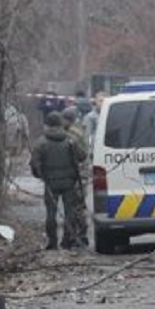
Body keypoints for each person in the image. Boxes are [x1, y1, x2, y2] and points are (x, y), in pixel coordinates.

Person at [30, 110, 86, 250]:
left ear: (47, 125)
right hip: (69, 182)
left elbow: (34, 164)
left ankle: (52, 242)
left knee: (51, 213)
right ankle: (66, 241)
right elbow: (82, 156)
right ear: (60, 124)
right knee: (69, 212)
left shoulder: (40, 143)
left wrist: (41, 176)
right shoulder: (70, 140)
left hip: (50, 183)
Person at [60, 106, 90, 248]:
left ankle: (76, 236)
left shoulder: (71, 135)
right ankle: (81, 235)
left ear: (68, 120)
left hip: (78, 174)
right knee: (79, 206)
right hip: (81, 173)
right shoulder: (79, 130)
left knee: (75, 207)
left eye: (64, 119)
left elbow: (77, 155)